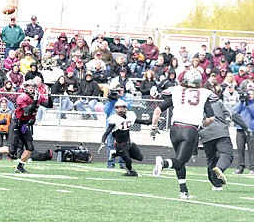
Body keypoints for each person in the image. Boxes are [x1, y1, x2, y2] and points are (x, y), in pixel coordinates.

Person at [151, 70, 216, 199]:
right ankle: (163, 163)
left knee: (179, 161)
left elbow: (157, 110)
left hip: (174, 129)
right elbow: (211, 118)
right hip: (190, 129)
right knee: (180, 161)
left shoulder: (175, 90)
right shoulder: (204, 93)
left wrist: (154, 127)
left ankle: (184, 191)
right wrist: (202, 126)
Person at [0, 79, 54, 174]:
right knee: (12, 150)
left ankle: (20, 167)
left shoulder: (38, 96)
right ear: (25, 88)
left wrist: (49, 96)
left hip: (24, 124)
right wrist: (35, 100)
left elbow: (49, 105)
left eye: (32, 86)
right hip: (16, 123)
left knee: (30, 147)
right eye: (29, 86)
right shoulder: (22, 97)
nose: (31, 88)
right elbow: (28, 110)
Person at [199, 96, 251, 191]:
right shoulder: (218, 103)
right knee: (226, 154)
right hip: (220, 132)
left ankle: (217, 185)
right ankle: (220, 168)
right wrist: (245, 127)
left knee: (211, 160)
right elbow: (233, 113)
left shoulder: (197, 104)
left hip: (204, 134)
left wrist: (194, 149)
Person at [100, 100, 152, 176]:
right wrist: (102, 142)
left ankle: (116, 154)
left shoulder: (130, 116)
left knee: (140, 158)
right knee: (128, 162)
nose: (120, 110)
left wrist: (155, 121)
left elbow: (144, 122)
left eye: (122, 107)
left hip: (129, 143)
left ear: (126, 108)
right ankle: (130, 171)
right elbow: (106, 133)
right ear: (115, 109)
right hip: (120, 145)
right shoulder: (114, 119)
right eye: (118, 108)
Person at [234, 88, 254, 174]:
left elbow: (253, 113)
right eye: (248, 94)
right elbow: (235, 111)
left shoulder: (251, 104)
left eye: (250, 94)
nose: (249, 96)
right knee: (240, 149)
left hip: (251, 129)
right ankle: (240, 167)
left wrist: (247, 105)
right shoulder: (241, 103)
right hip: (240, 128)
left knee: (251, 150)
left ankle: (252, 168)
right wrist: (241, 101)